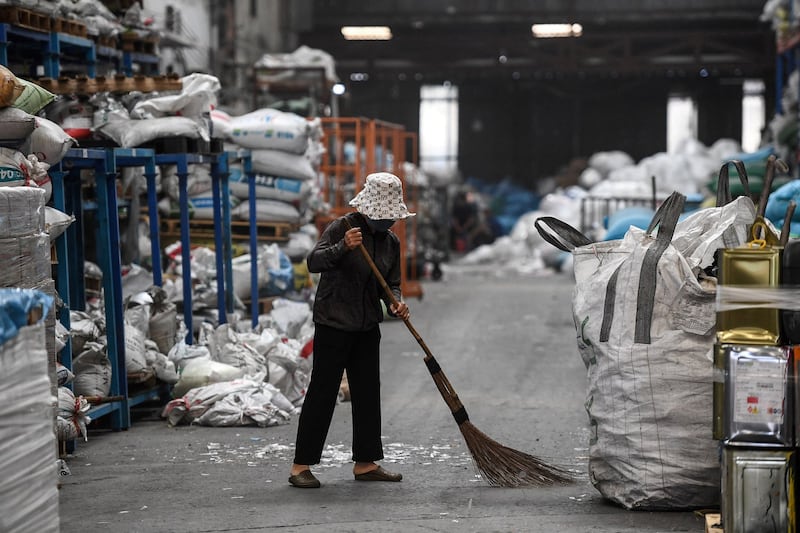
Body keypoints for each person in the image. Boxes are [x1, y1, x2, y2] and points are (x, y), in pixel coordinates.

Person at [289, 172, 414, 488]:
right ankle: (300, 466)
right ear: (369, 209)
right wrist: (343, 247)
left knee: (367, 392)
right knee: (323, 392)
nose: (388, 222)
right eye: (383, 217)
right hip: (334, 322)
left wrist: (396, 304)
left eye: (391, 218)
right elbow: (313, 262)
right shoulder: (343, 228)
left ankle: (366, 463)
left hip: (367, 325)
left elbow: (393, 284)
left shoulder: (391, 242)